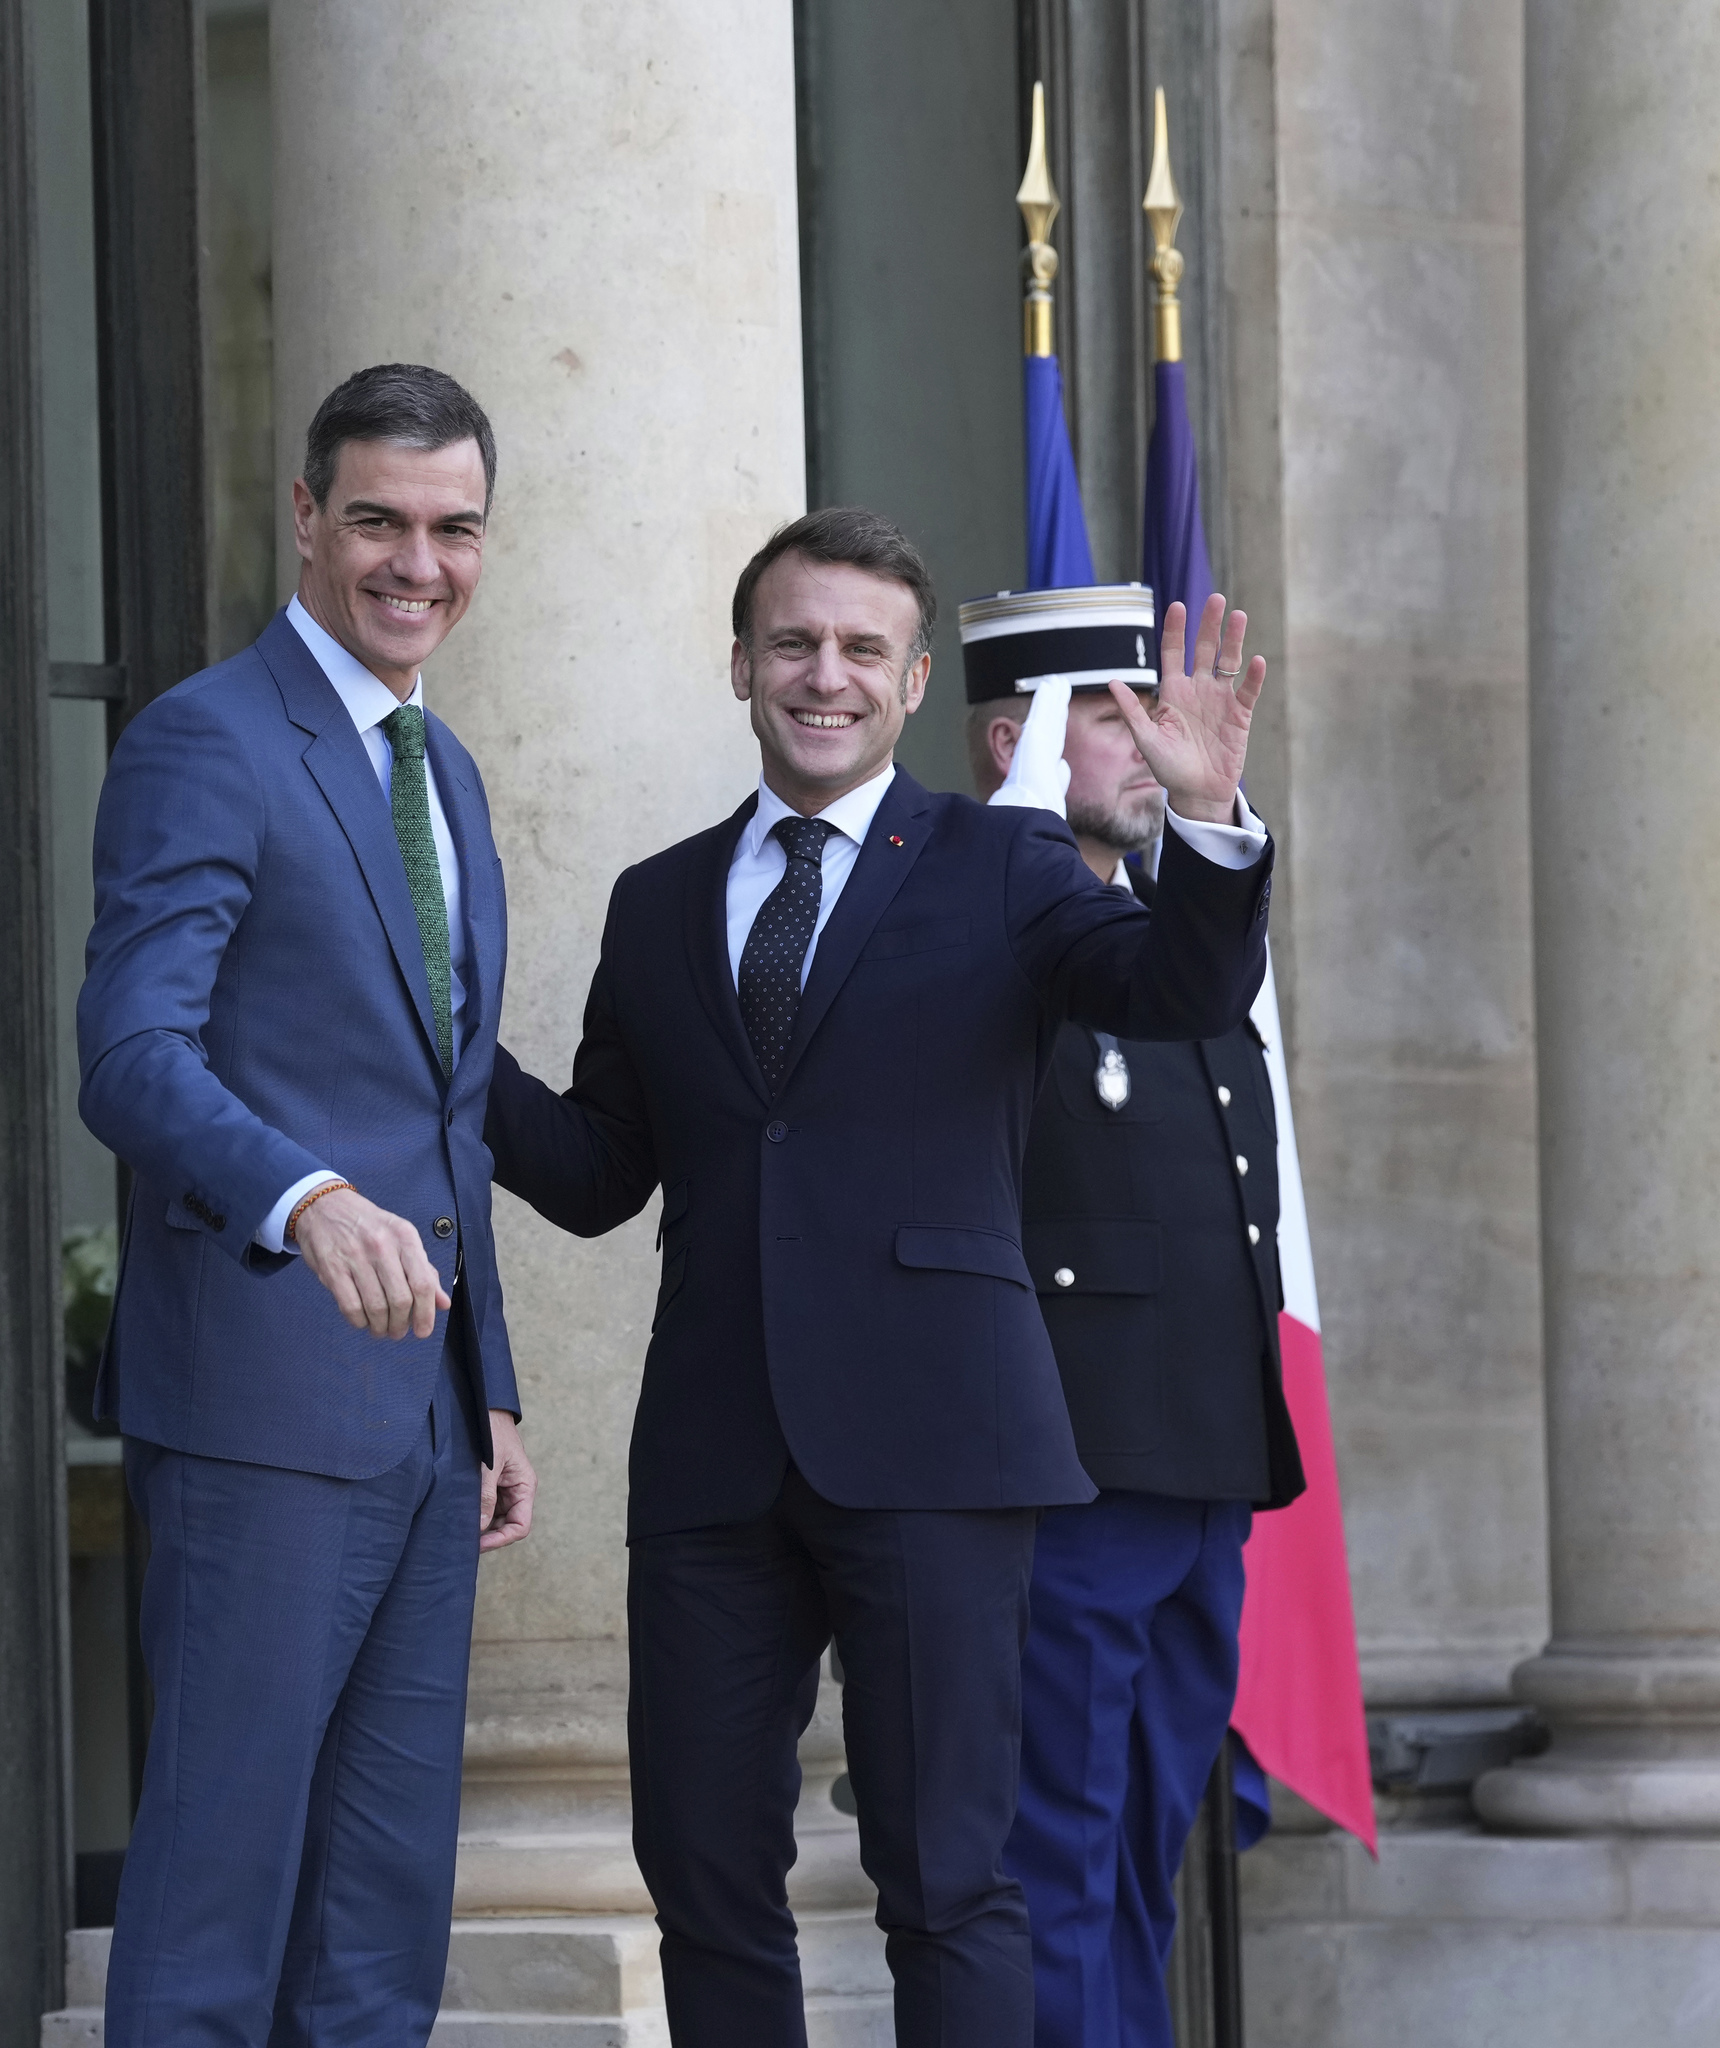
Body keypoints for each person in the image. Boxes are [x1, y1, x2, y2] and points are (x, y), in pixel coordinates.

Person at [485, 508, 1272, 2045]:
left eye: (861, 649)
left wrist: (1210, 825)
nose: (823, 675)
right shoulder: (656, 899)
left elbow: (1169, 989)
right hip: (714, 1462)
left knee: (950, 1882)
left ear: (914, 684)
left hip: (939, 1447)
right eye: (793, 642)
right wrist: (445, 1061)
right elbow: (596, 1172)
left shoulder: (1007, 860)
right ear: (740, 665)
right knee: (703, 1875)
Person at [77, 362, 539, 2043]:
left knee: (381, 1922)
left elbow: (443, 1102)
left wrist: (487, 1385)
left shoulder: (452, 772)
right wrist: (303, 1193)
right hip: (259, 1401)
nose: (418, 563)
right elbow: (129, 1054)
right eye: (379, 522)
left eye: (453, 528)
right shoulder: (204, 740)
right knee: (217, 1906)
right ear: (305, 517)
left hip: (422, 1418)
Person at [961, 600, 1305, 2048]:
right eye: (1110, 715)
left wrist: (1210, 814)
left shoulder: (1177, 922)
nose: (1149, 741)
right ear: (1012, 737)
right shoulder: (970, 916)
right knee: (1053, 1867)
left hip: (1202, 1468)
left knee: (1144, 1860)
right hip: (1071, 1474)